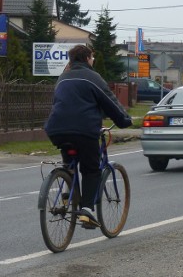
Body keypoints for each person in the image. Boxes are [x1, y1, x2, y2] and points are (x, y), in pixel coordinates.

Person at [45, 44, 132, 228]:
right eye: (92, 58)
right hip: (84, 130)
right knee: (91, 169)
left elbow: (58, 103)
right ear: (87, 58)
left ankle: (68, 193)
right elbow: (110, 102)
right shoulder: (92, 77)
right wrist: (124, 120)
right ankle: (87, 210)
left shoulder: (62, 78)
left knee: (70, 162)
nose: (93, 61)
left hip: (56, 129)